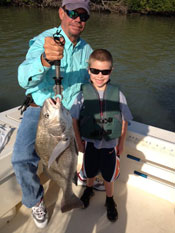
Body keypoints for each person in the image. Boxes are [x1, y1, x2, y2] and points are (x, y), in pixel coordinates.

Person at [11, 0, 96, 229]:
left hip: (71, 111)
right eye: (73, 13)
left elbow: (89, 83)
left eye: (84, 16)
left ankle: (85, 177)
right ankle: (36, 199)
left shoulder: (87, 49)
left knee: (98, 138)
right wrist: (45, 60)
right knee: (20, 158)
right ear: (61, 12)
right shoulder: (44, 40)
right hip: (43, 109)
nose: (78, 19)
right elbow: (23, 79)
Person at [70, 49, 133, 222]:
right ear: (89, 70)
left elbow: (125, 120)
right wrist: (79, 143)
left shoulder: (118, 94)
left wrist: (121, 143)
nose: (99, 75)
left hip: (109, 146)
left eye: (104, 72)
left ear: (111, 71)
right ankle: (89, 189)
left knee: (108, 174)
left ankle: (110, 199)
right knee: (89, 170)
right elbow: (74, 120)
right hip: (89, 144)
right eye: (95, 71)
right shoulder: (81, 95)